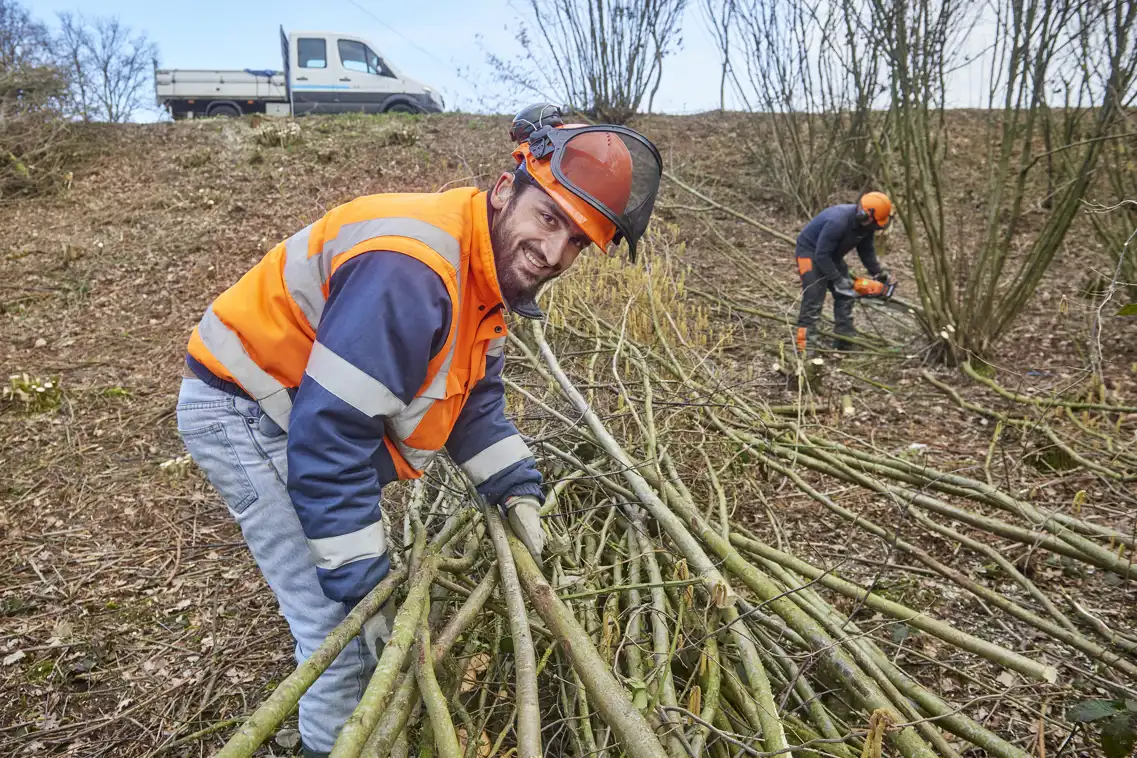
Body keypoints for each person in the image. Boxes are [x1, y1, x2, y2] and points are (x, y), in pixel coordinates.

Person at [173, 103, 662, 757]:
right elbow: (330, 437)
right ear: (503, 189)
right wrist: (363, 589)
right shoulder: (414, 267)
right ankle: (329, 745)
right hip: (248, 409)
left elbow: (473, 402)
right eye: (549, 219)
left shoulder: (478, 272)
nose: (554, 253)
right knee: (339, 628)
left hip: (298, 414)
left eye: (577, 242)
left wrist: (515, 488)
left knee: (348, 582)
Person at [793, 192, 895, 355]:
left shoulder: (866, 226)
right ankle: (804, 348)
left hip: (830, 255)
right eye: (875, 223)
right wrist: (837, 279)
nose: (876, 227)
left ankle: (845, 340)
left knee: (847, 294)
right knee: (813, 299)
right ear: (865, 216)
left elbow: (866, 250)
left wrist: (877, 271)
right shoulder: (838, 221)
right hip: (809, 253)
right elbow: (821, 255)